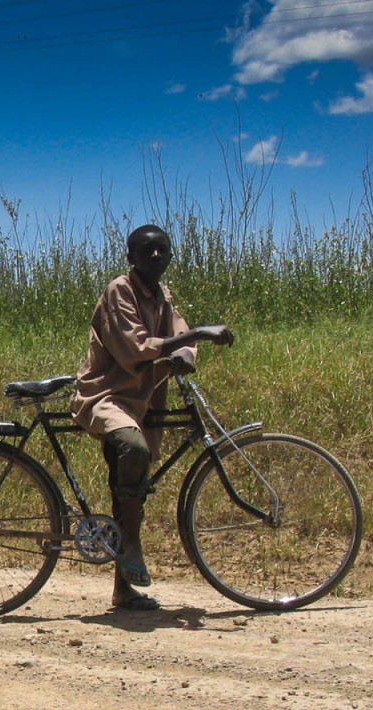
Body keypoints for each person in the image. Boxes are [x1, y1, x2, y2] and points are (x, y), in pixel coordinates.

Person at [71, 225, 234, 611]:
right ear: (131, 257)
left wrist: (187, 353)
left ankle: (122, 587)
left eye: (162, 251)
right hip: (107, 396)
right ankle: (130, 544)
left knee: (132, 486)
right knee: (133, 447)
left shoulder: (163, 296)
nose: (156, 257)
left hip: (140, 401)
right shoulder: (120, 291)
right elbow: (136, 346)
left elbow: (180, 334)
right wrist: (195, 335)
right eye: (148, 252)